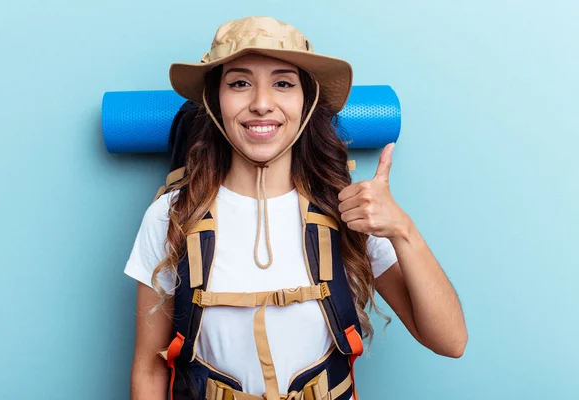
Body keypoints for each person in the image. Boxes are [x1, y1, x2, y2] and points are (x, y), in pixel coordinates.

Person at [124, 16, 468, 400]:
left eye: (283, 83)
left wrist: (403, 229)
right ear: (214, 100)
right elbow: (149, 368)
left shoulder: (348, 210)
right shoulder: (172, 214)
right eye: (239, 83)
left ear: (306, 102)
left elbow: (450, 341)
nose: (261, 104)